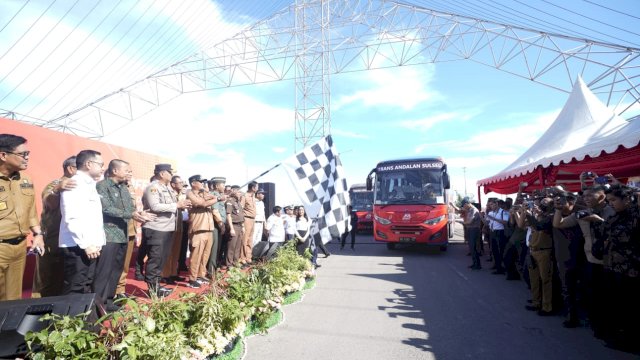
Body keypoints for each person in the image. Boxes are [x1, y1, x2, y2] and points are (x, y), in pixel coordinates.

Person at [95, 159, 152, 311]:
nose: (128, 172)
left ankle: (108, 301)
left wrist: (138, 214)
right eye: (126, 170)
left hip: (123, 234)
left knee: (116, 270)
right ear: (115, 171)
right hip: (108, 234)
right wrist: (131, 214)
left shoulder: (124, 188)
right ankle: (97, 305)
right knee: (104, 272)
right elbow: (106, 208)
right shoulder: (102, 186)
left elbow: (128, 209)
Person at [0, 134, 45, 301]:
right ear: (3, 155)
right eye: (22, 154)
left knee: (14, 299)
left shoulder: (25, 180)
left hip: (19, 248)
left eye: (28, 154)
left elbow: (31, 212)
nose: (27, 158)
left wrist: (38, 234)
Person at [599, 185, 640, 351]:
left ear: (627, 200)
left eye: (614, 200)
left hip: (631, 270)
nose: (611, 204)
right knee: (617, 305)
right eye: (609, 201)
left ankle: (630, 341)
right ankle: (618, 335)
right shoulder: (616, 216)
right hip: (612, 266)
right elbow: (606, 231)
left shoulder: (635, 216)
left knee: (630, 308)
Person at [59, 150, 106, 295]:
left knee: (86, 285)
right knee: (75, 287)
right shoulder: (75, 183)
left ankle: (83, 317)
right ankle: (67, 318)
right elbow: (72, 217)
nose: (103, 168)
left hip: (90, 245)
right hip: (78, 245)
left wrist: (96, 242)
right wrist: (86, 244)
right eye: (101, 164)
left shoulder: (90, 184)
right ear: (88, 164)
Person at [141, 164, 190, 297]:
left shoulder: (166, 189)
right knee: (155, 259)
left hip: (167, 228)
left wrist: (180, 205)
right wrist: (176, 205)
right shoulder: (153, 188)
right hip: (156, 228)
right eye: (169, 172)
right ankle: (152, 289)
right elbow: (155, 206)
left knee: (162, 258)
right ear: (162, 173)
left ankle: (156, 285)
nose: (171, 175)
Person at [32, 156, 77, 298]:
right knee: (46, 279)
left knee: (64, 278)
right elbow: (49, 202)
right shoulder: (55, 185)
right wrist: (58, 190)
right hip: (52, 238)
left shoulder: (81, 187)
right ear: (71, 169)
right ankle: (37, 313)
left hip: (70, 239)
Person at [524, 196, 555, 316]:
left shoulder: (550, 218)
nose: (541, 204)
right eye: (541, 202)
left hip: (544, 252)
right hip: (533, 250)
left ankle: (547, 307)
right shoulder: (539, 215)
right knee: (534, 279)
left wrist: (530, 214)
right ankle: (536, 302)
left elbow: (538, 226)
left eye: (545, 202)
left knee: (546, 280)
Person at [185, 175, 216, 288]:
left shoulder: (203, 193)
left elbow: (211, 197)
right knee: (196, 255)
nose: (203, 184)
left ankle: (200, 274)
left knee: (205, 254)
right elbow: (202, 203)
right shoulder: (190, 193)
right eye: (201, 182)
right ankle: (192, 278)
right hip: (198, 228)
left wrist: (207, 192)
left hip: (208, 228)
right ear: (193, 183)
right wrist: (215, 199)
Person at [161, 175, 186, 284]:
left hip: (178, 226)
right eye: (180, 182)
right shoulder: (168, 193)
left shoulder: (179, 195)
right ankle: (165, 275)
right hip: (170, 226)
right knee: (169, 252)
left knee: (176, 251)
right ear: (173, 184)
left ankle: (173, 273)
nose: (182, 184)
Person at [208, 177, 227, 272]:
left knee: (218, 248)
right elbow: (215, 211)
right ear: (216, 186)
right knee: (214, 249)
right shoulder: (214, 195)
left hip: (218, 225)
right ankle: (211, 270)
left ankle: (214, 267)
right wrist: (221, 224)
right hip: (215, 225)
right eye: (222, 185)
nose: (224, 187)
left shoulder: (219, 195)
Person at [225, 185, 244, 267]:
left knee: (238, 246)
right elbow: (228, 215)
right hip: (234, 225)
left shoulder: (238, 202)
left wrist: (243, 227)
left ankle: (235, 262)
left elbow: (241, 215)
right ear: (234, 191)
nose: (240, 194)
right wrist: (231, 228)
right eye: (239, 192)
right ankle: (229, 264)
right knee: (231, 246)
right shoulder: (230, 201)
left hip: (239, 225)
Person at [461, 199, 482, 269]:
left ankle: (477, 265)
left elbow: (470, 221)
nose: (464, 207)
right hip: (470, 229)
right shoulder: (470, 210)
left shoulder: (473, 210)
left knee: (473, 247)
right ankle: (475, 263)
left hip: (474, 229)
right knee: (471, 247)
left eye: (464, 205)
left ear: (467, 203)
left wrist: (461, 222)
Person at [240, 181, 257, 264]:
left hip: (253, 219)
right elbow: (241, 209)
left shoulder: (253, 197)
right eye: (257, 187)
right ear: (253, 188)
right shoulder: (245, 196)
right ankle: (242, 258)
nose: (257, 189)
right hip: (246, 219)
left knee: (250, 239)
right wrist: (242, 222)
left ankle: (248, 257)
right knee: (245, 239)